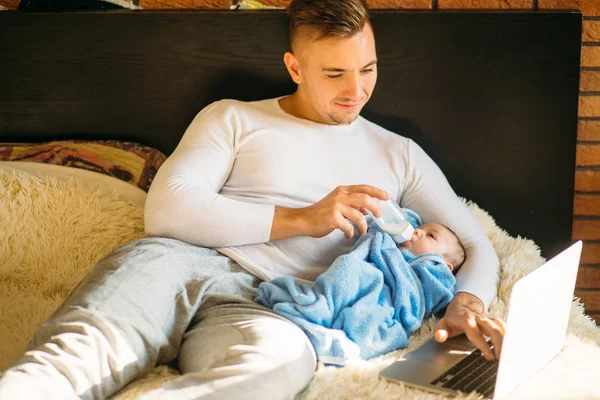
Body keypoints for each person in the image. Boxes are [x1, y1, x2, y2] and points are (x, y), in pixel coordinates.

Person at [0, 0, 506, 399]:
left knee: (266, 378)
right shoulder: (234, 117)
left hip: (279, 307)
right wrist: (300, 219)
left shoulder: (400, 154)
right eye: (335, 74)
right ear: (294, 66)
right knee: (75, 359)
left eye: (368, 69)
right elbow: (166, 208)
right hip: (176, 266)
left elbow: (473, 244)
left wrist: (465, 303)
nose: (356, 91)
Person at [256, 213, 466, 366]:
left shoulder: (434, 275)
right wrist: (399, 226)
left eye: (431, 236)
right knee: (348, 267)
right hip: (359, 277)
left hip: (385, 301)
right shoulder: (388, 244)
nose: (418, 230)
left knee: (368, 317)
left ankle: (340, 341)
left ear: (444, 265)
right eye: (421, 228)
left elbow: (417, 300)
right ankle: (321, 308)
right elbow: (383, 227)